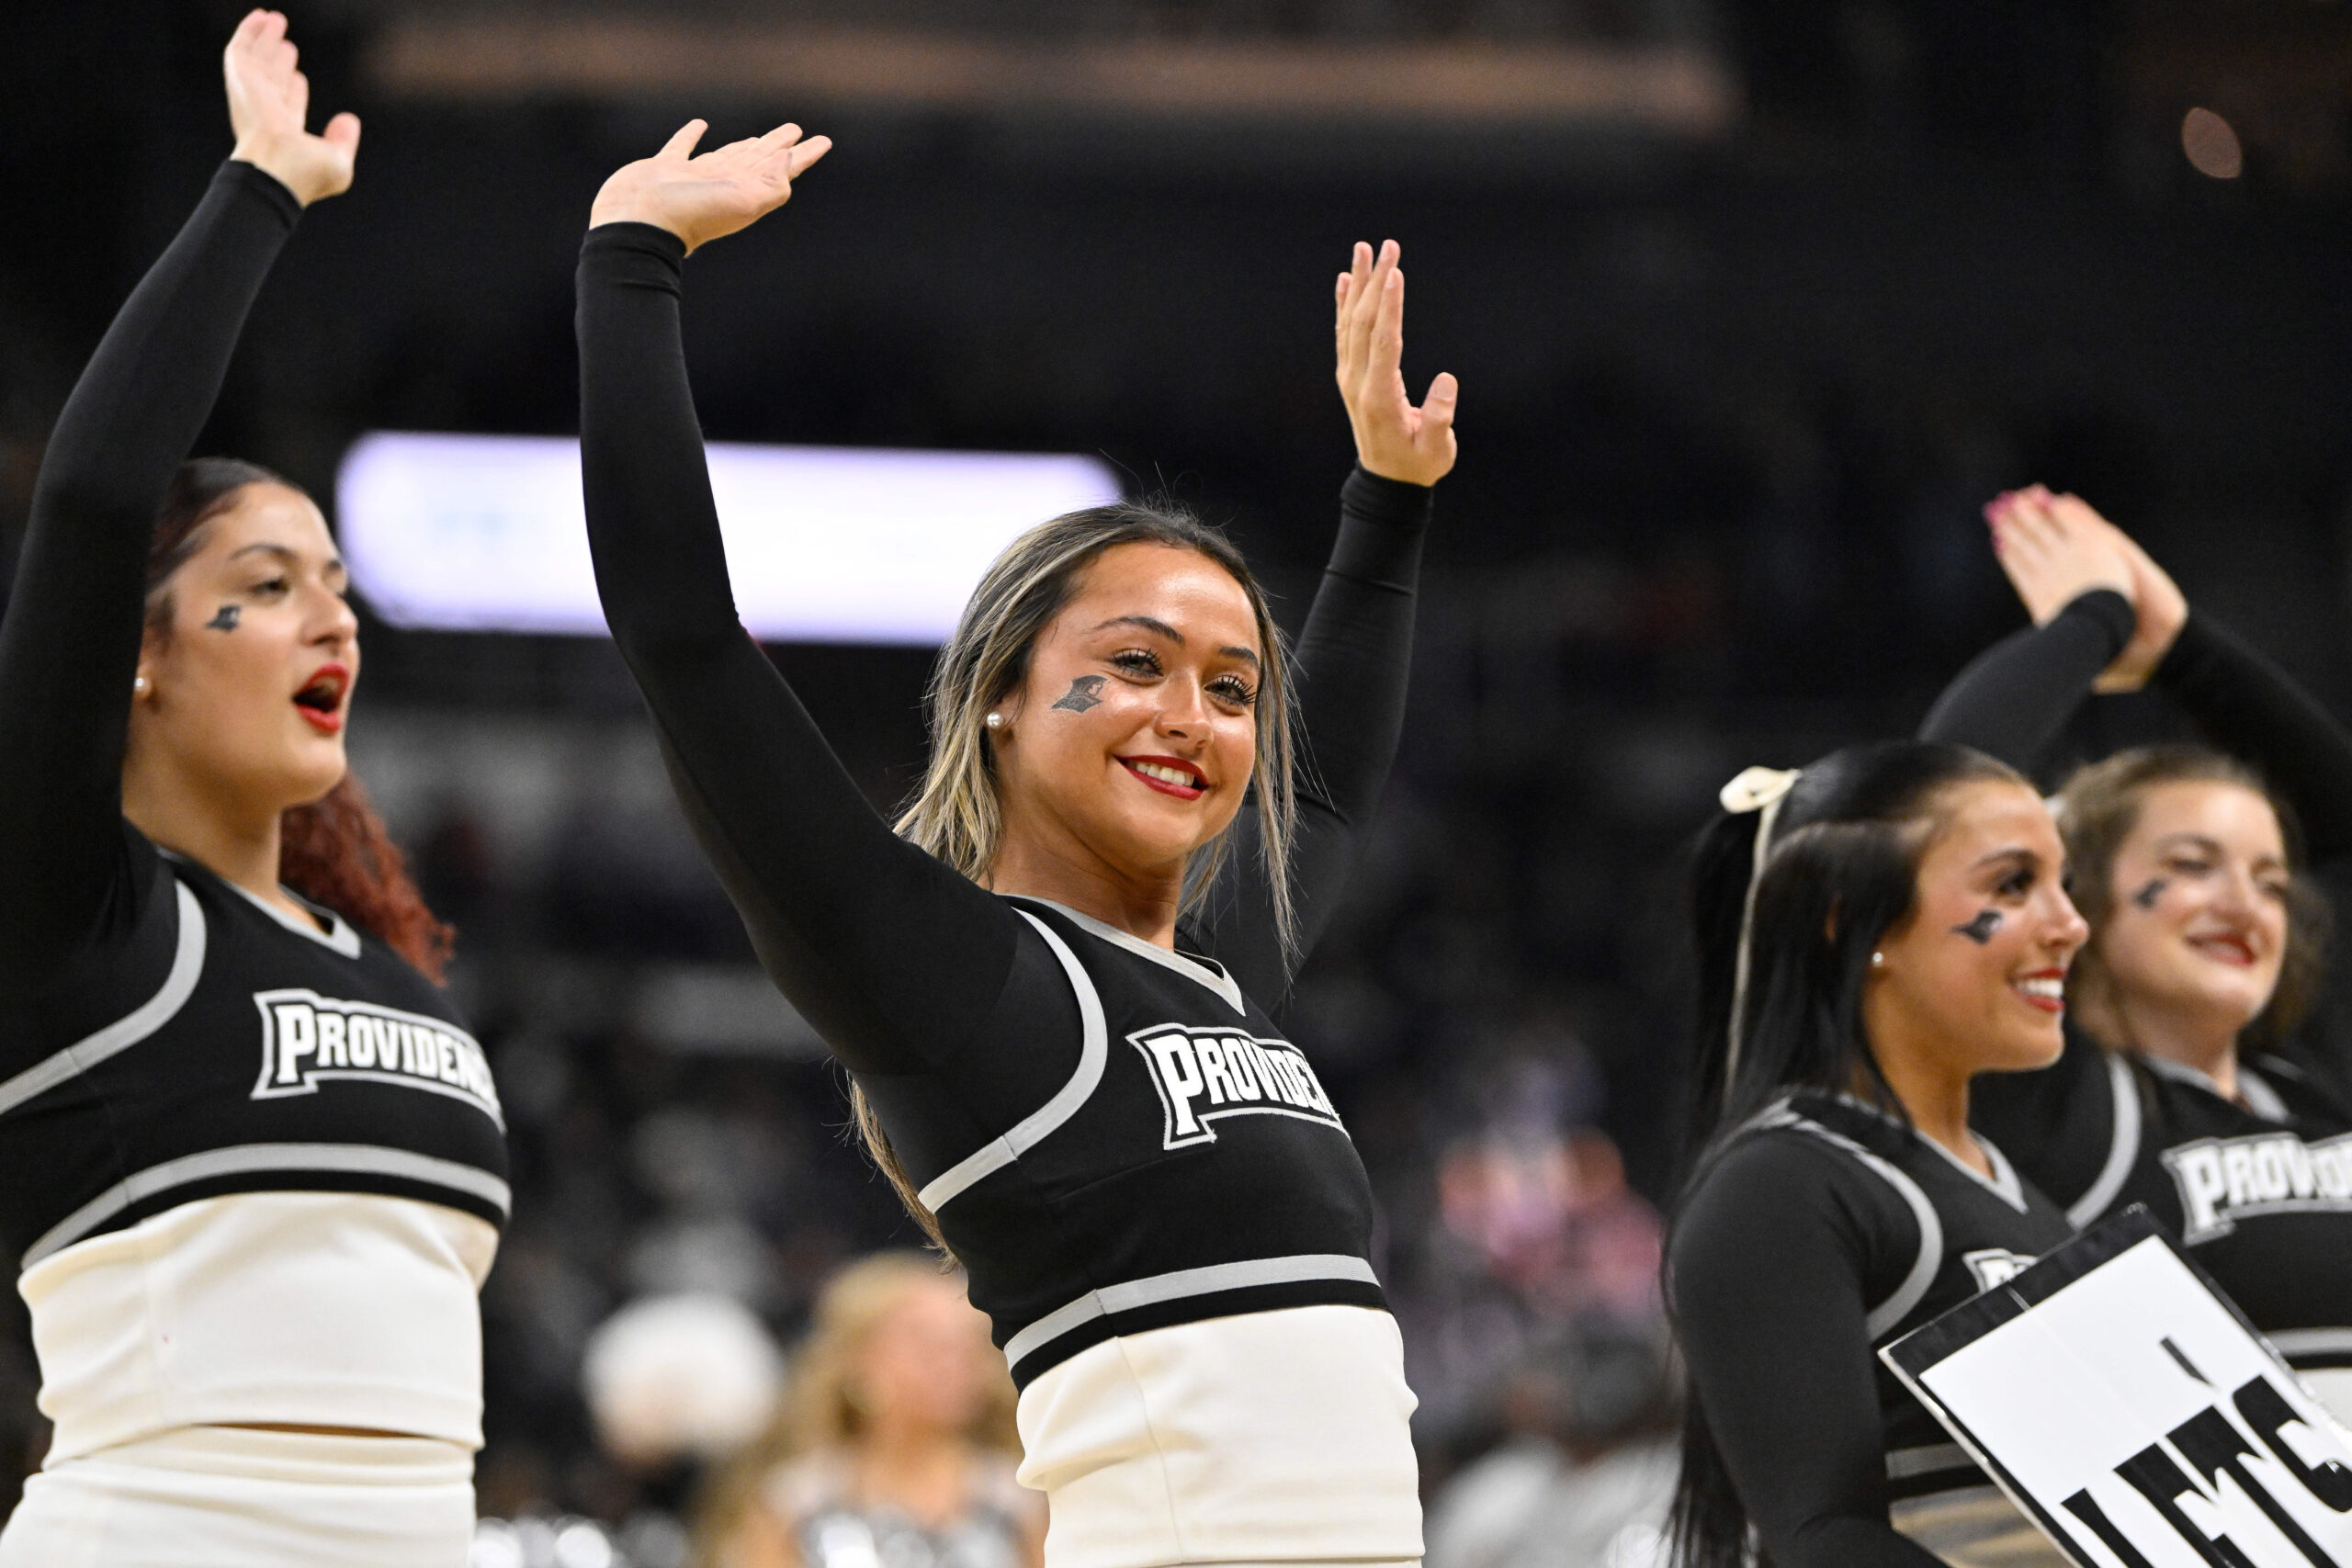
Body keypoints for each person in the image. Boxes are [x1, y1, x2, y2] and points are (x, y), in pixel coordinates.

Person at [577, 119, 1455, 1567]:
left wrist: (1388, 498)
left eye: (1232, 687)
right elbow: (686, 642)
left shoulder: (1216, 971)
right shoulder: (955, 979)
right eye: (1133, 661)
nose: (1193, 716)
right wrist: (630, 269)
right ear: (1000, 699)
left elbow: (1331, 797)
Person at [0, 14, 505, 1564]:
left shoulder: (392, 960)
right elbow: (92, 504)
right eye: (264, 587)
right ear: (138, 657)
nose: (331, 618)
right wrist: (260, 192)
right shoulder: (77, 910)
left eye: (340, 587)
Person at [1918, 485, 2352, 1420]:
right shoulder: (2052, 1092)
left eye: (2271, 880)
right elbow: (1933, 808)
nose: (2243, 900)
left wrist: (2188, 647)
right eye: (2191, 865)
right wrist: (2096, 618)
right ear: (2079, 902)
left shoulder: (2316, 1080)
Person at [1667, 742, 2087, 1568]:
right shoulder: (1784, 1184)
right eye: (2012, 883)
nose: (2070, 922)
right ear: (1849, 915)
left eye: (2062, 882)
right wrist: (2112, 617)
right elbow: (1824, 1539)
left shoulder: (2013, 1187)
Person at [692, 1254, 1044, 1568]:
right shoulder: (792, 1503)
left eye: (968, 1345)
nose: (952, 1364)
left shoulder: (1023, 1501)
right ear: (856, 1360)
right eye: (925, 1342)